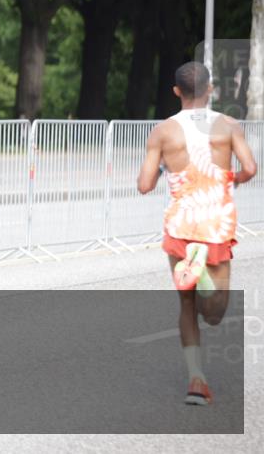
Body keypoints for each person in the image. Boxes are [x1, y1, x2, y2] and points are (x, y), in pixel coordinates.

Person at [137, 61, 257, 406]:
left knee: (186, 305)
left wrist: (163, 166)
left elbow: (144, 185)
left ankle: (196, 379)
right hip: (215, 225)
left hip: (179, 226)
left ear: (176, 92)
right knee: (215, 313)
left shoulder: (162, 132)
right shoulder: (228, 125)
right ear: (211, 90)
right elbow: (250, 167)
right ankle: (202, 274)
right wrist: (230, 179)